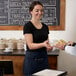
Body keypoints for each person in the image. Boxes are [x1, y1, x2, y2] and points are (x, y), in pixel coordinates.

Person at [23, 1, 52, 76]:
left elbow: (47, 43)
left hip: (44, 58)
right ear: (31, 12)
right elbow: (30, 46)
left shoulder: (45, 26)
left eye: (42, 10)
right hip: (32, 60)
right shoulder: (28, 26)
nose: (40, 12)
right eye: (37, 10)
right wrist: (43, 44)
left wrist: (49, 47)